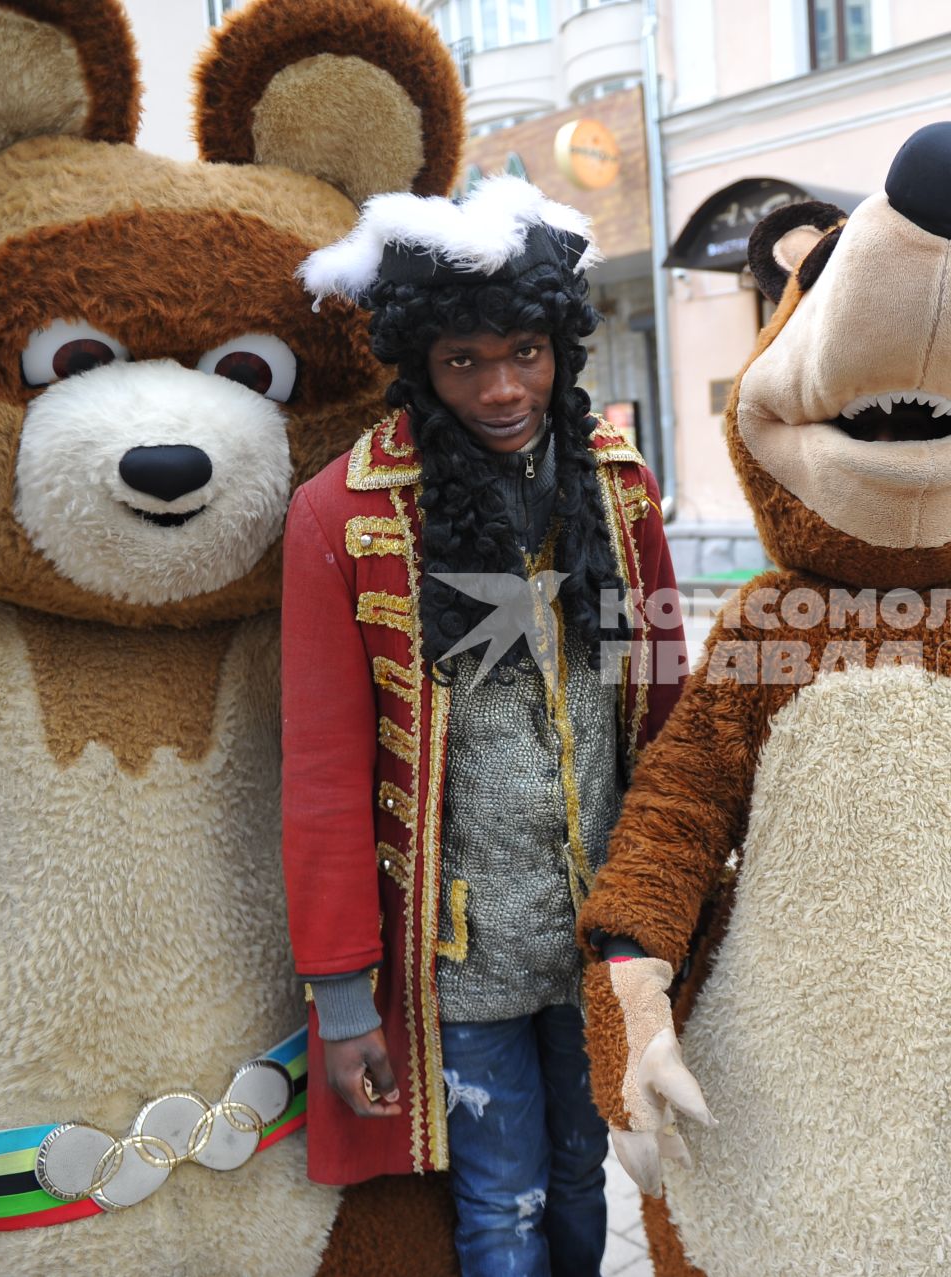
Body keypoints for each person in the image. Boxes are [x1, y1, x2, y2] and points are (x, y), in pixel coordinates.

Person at [280, 176, 686, 1275]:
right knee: (498, 1207)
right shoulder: (344, 512)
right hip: (457, 957)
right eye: (465, 360)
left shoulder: (619, 485)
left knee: (580, 1174)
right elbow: (322, 768)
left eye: (525, 350)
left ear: (560, 343)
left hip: (599, 931)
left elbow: (667, 709)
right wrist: (342, 993)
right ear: (421, 364)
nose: (502, 386)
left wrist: (680, 908)